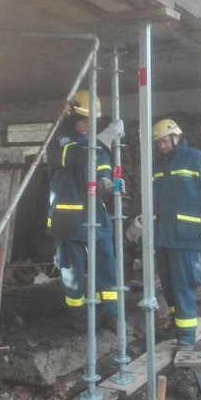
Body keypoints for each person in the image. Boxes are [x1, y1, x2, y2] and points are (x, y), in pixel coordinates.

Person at [46, 90, 124, 332]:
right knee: (72, 269)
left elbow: (101, 164)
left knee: (106, 265)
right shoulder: (61, 140)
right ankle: (78, 314)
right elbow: (78, 156)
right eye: (83, 120)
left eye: (92, 122)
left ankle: (110, 314)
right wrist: (104, 137)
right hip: (68, 218)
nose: (87, 126)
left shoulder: (92, 141)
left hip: (96, 214)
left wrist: (105, 180)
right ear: (71, 117)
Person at [151, 118, 201, 352]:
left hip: (186, 237)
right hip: (163, 238)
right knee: (170, 288)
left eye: (165, 141)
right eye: (158, 143)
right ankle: (178, 327)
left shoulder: (196, 158)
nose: (162, 146)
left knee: (183, 287)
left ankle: (186, 339)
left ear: (177, 138)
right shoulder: (159, 166)